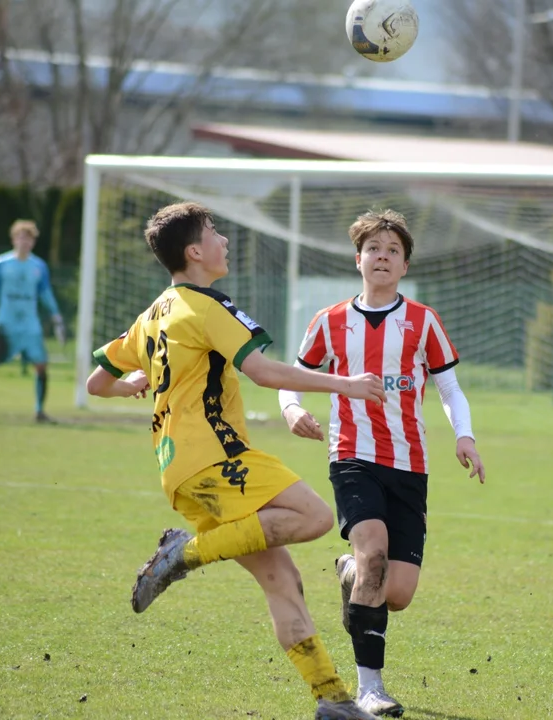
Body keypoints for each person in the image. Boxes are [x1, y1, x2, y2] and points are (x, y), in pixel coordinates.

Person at [85, 201, 384, 720]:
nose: (224, 239)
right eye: (214, 231)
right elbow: (264, 372)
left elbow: (97, 382)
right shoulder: (207, 307)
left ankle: (333, 700)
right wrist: (347, 385)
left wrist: (133, 383)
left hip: (177, 474)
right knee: (315, 517)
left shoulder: (154, 313)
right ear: (195, 251)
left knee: (282, 581)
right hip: (218, 458)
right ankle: (185, 554)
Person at [278, 209, 486, 718]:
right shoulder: (328, 322)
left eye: (393, 250)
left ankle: (351, 572)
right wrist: (291, 408)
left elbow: (449, 386)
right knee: (375, 555)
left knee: (396, 594)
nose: (382, 257)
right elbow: (293, 375)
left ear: (404, 265)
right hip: (352, 455)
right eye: (374, 249)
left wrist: (465, 436)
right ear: (359, 260)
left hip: (410, 463)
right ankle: (370, 688)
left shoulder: (423, 321)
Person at [0, 220, 66, 424]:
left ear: (33, 242)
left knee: (41, 366)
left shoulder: (39, 267)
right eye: (20, 237)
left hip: (29, 325)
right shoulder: (1, 264)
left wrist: (57, 318)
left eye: (28, 238)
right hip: (5, 324)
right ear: (13, 239)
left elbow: (45, 294)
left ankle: (39, 412)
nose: (24, 242)